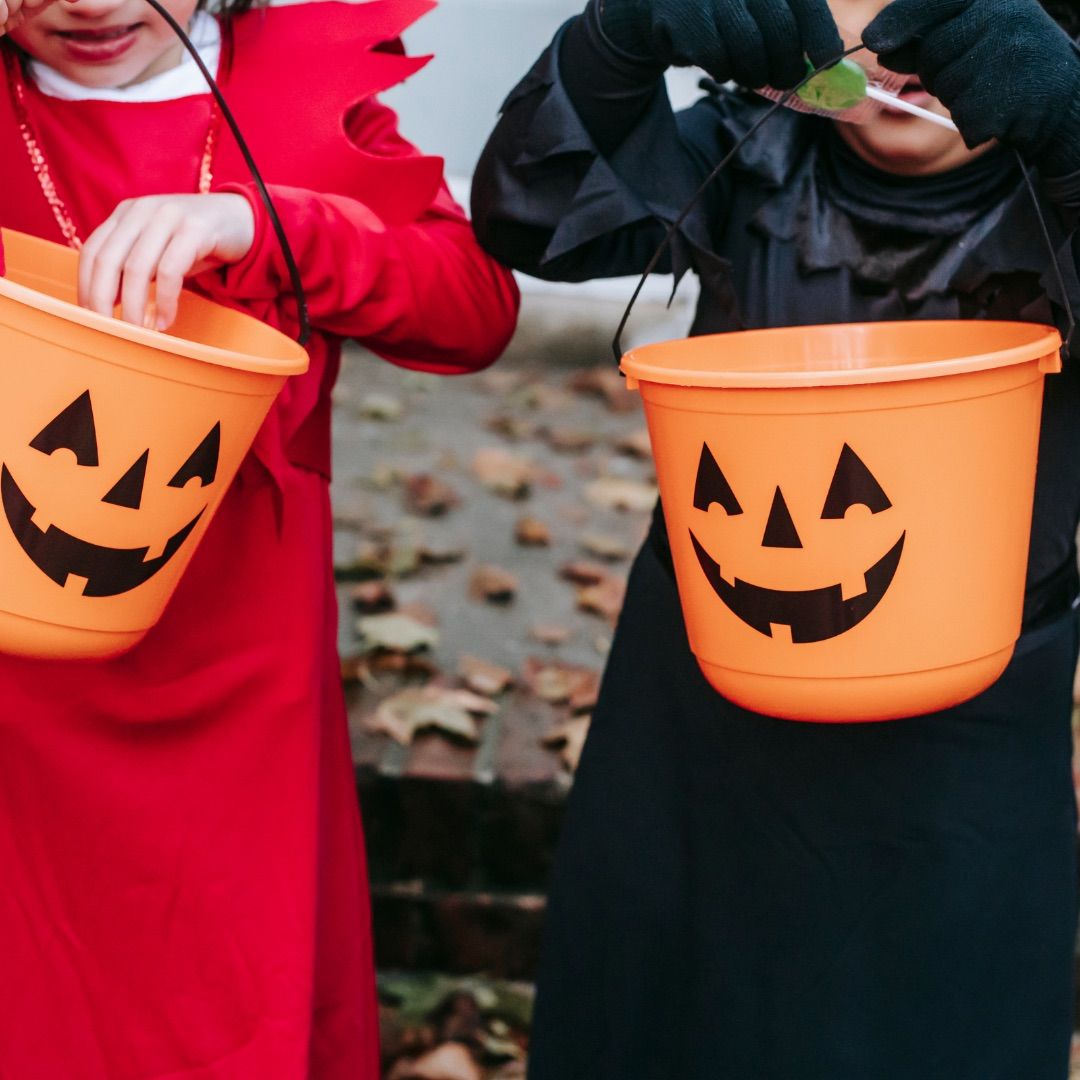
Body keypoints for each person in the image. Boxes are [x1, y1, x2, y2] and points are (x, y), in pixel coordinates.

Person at [471, 0, 1080, 1076]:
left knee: (930, 1024)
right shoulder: (743, 153)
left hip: (964, 739)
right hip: (706, 687)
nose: (904, 41)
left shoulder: (1060, 193)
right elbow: (529, 213)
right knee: (671, 1009)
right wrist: (617, 39)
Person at [0, 0, 519, 1075]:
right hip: (18, 695)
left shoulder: (295, 98)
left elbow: (472, 305)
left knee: (224, 1001)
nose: (92, 0)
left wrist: (272, 226)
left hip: (238, 673)